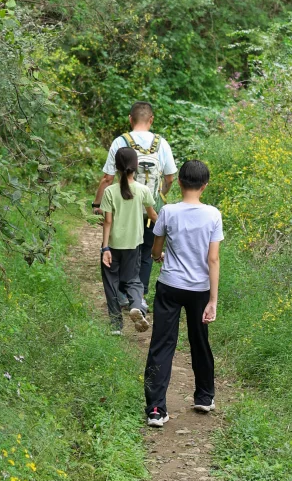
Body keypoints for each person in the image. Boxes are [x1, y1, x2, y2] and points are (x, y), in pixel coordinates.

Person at [143, 159, 222, 427]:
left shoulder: (168, 211)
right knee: (199, 342)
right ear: (205, 186)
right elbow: (213, 260)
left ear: (179, 183)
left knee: (162, 344)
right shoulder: (213, 215)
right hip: (200, 289)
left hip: (170, 286)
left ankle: (156, 409)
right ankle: (203, 396)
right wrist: (213, 300)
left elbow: (156, 249)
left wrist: (158, 256)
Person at [93, 100, 176, 298]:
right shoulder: (161, 143)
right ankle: (140, 296)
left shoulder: (120, 141)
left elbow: (107, 178)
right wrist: (158, 196)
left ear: (130, 119)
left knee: (122, 250)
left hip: (122, 208)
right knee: (146, 252)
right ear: (151, 119)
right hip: (149, 210)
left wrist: (97, 204)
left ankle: (122, 295)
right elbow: (170, 177)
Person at [99, 146, 157, 335]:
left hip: (113, 245)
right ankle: (136, 305)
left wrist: (105, 248)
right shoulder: (143, 190)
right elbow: (153, 216)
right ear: (136, 166)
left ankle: (116, 325)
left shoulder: (109, 192)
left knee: (111, 282)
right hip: (134, 245)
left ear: (116, 167)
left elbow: (108, 222)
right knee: (133, 280)